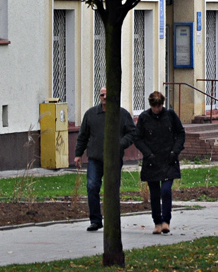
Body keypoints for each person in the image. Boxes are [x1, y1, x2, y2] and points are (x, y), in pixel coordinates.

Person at [74, 87, 136, 231]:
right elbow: (83, 136)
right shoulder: (91, 114)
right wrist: (78, 154)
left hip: (113, 159)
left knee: (112, 188)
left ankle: (112, 220)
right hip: (95, 157)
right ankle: (95, 220)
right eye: (102, 95)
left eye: (107, 95)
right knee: (92, 186)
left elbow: (132, 133)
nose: (105, 98)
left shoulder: (121, 114)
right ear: (99, 96)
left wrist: (119, 145)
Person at [134, 90, 186, 235]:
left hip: (169, 159)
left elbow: (180, 133)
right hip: (152, 160)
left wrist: (174, 151)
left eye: (159, 106)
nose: (156, 109)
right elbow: (137, 138)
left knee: (166, 191)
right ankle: (157, 222)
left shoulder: (170, 116)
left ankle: (166, 221)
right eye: (154, 106)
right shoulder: (144, 118)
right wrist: (147, 153)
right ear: (151, 105)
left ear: (162, 104)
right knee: (155, 193)